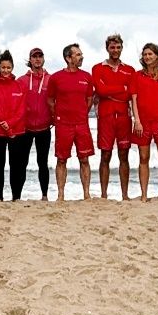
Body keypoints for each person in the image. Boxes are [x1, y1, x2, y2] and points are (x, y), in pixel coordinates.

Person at [91, 35, 136, 199]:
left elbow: (130, 94)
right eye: (112, 47)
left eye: (118, 47)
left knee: (124, 155)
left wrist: (109, 90)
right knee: (105, 155)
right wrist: (121, 88)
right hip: (106, 116)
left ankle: (125, 195)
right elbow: (100, 91)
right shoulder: (97, 68)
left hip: (124, 116)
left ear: (122, 48)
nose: (115, 50)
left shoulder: (130, 70)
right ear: (107, 49)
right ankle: (104, 195)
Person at [0, 51, 33, 200]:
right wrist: (6, 127)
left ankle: (15, 197)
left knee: (15, 165)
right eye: (3, 67)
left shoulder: (19, 86)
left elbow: (21, 109)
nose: (5, 70)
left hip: (17, 131)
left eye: (8, 67)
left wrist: (10, 124)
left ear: (12, 68)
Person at [49, 44, 95, 200]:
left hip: (81, 124)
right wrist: (58, 116)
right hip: (63, 125)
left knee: (84, 159)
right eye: (78, 54)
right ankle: (61, 195)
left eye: (81, 54)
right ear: (68, 58)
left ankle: (86, 194)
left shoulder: (87, 77)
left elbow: (89, 99)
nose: (81, 57)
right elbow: (50, 100)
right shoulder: (56, 78)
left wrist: (81, 114)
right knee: (61, 159)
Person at [129, 43, 158, 200]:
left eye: (150, 54)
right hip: (143, 123)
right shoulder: (137, 76)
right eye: (145, 54)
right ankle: (144, 195)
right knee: (143, 158)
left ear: (156, 56)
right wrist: (137, 121)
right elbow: (134, 100)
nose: (147, 57)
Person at [22, 47, 55, 199]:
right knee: (22, 162)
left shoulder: (51, 79)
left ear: (43, 59)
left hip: (44, 128)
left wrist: (54, 118)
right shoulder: (21, 80)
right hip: (25, 128)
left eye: (40, 56)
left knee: (42, 162)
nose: (37, 59)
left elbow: (57, 100)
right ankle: (17, 195)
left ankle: (44, 195)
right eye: (34, 57)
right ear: (30, 60)